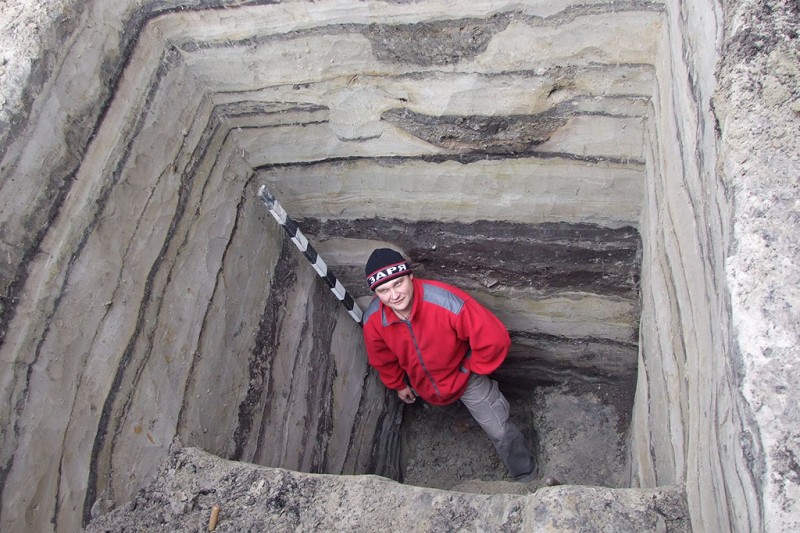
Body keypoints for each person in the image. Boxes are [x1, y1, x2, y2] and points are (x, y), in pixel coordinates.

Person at [361, 247, 552, 484]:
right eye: (383, 290)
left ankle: (527, 476)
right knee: (446, 406)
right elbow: (382, 359)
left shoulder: (445, 302)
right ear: (375, 292)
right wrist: (398, 385)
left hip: (465, 378)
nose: (394, 295)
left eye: (398, 283)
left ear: (410, 276)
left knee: (500, 430)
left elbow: (494, 337)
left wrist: (471, 368)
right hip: (425, 385)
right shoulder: (373, 320)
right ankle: (468, 418)